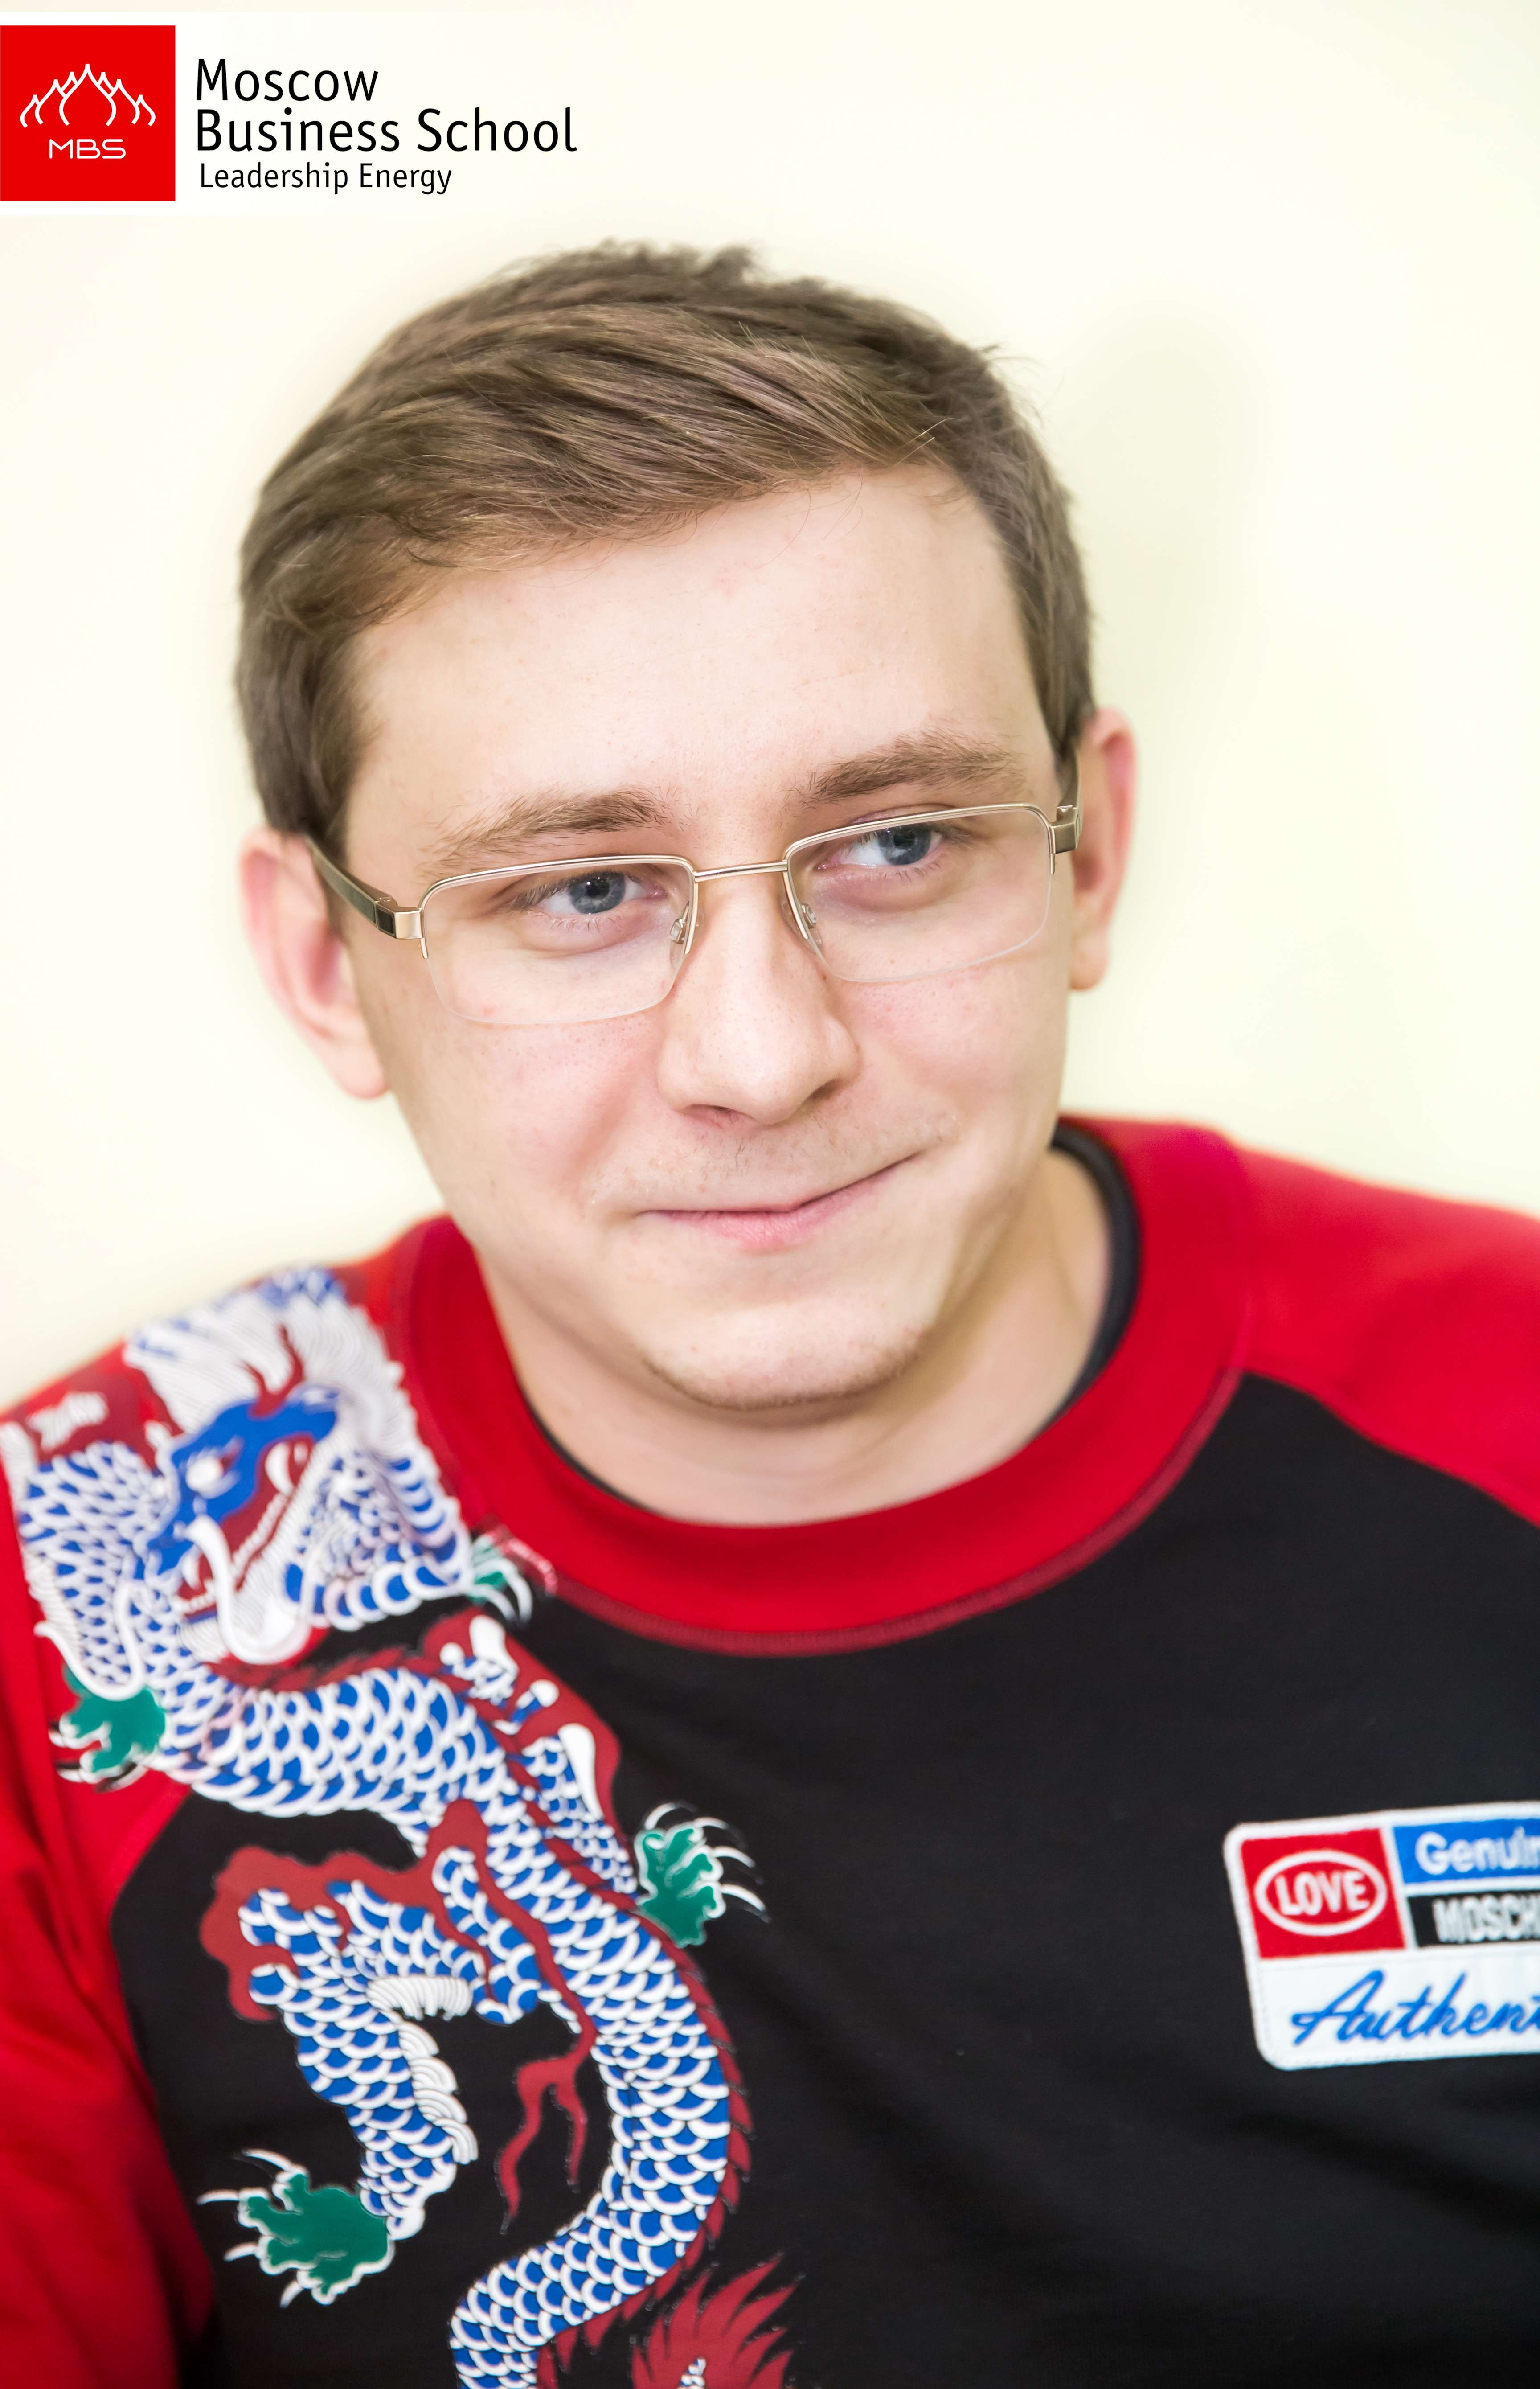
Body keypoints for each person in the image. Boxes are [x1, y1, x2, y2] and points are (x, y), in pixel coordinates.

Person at [2, 243, 1537, 2389]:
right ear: (331, 965)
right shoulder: (54, 1607)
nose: (762, 1053)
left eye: (898, 841)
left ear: (1088, 851)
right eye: (579, 890)